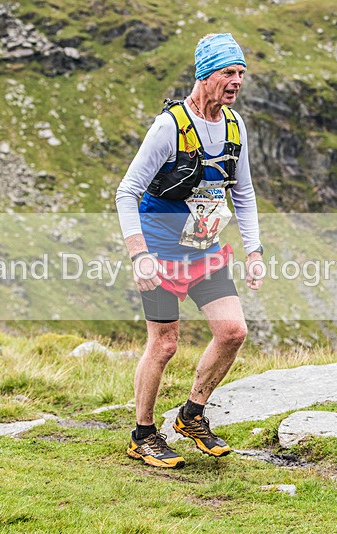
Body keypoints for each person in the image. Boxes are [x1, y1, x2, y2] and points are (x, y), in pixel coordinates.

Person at [115, 33, 264, 468]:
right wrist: (138, 254)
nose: (236, 82)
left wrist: (253, 251)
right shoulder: (170, 127)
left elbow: (245, 191)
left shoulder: (235, 126)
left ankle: (191, 415)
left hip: (204, 249)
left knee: (233, 331)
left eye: (241, 73)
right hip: (159, 252)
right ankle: (142, 435)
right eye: (227, 73)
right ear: (205, 75)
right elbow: (127, 192)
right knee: (164, 344)